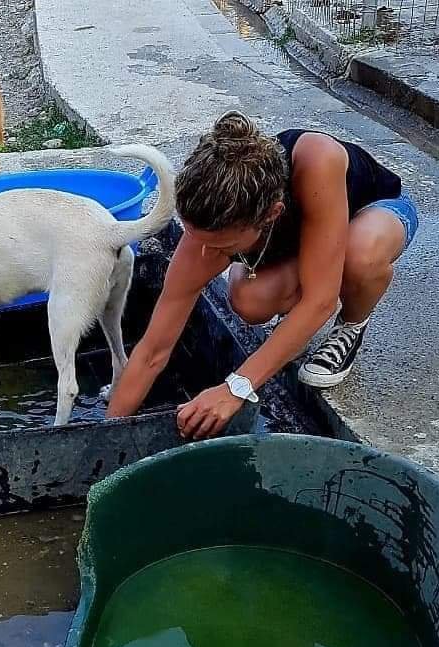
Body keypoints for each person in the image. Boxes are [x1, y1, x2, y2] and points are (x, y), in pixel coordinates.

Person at [106, 112, 418, 439]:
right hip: (303, 236)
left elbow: (321, 301)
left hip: (376, 211)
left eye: (222, 246)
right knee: (250, 300)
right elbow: (152, 352)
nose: (203, 253)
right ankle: (295, 321)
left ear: (272, 215)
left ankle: (353, 324)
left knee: (359, 257)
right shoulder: (206, 227)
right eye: (196, 237)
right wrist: (110, 435)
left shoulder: (317, 159)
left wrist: (236, 387)